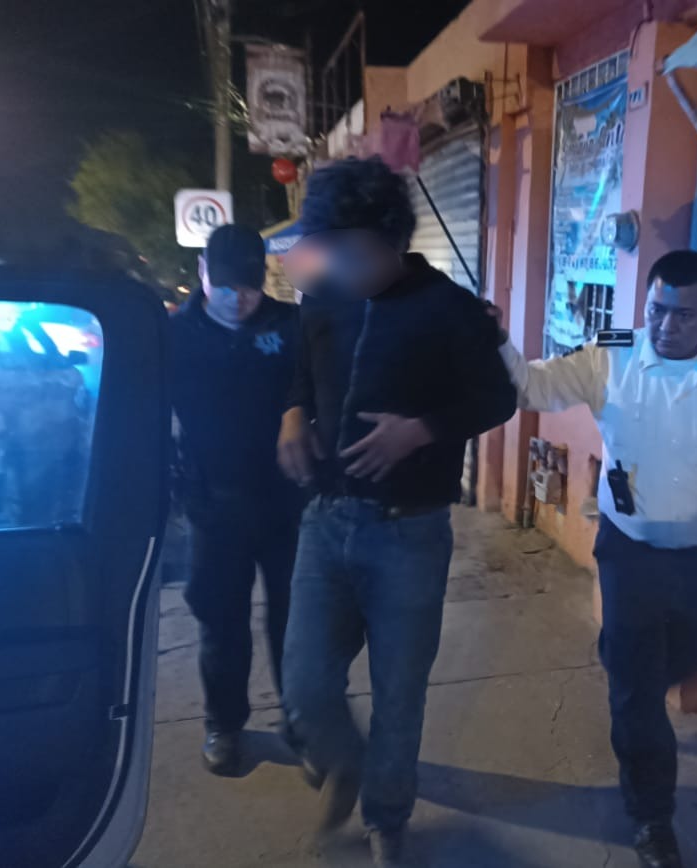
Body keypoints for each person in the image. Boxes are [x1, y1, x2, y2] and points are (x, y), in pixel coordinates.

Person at [493, 250, 697, 868]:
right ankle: (651, 816)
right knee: (640, 694)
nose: (666, 325)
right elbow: (532, 386)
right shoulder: (609, 359)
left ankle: (626, 661)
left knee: (685, 659)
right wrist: (498, 341)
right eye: (656, 310)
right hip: (631, 555)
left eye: (684, 314)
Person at [277, 157, 517, 867]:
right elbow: (300, 371)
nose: (339, 266)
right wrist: (292, 416)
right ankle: (345, 761)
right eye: (329, 249)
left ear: (392, 241)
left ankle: (387, 817)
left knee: (399, 694)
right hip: (325, 522)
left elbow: (497, 399)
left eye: (353, 251)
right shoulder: (322, 296)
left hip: (409, 532)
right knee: (304, 685)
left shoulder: (449, 309)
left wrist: (419, 431)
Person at [170, 223, 304, 777]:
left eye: (248, 285)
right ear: (202, 271)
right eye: (225, 285)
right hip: (213, 505)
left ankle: (302, 722)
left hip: (287, 502)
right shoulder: (174, 335)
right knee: (221, 623)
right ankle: (224, 724)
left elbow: (314, 381)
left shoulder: (289, 324)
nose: (237, 297)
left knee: (296, 622)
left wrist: (296, 411)